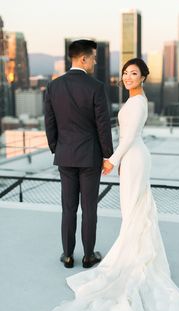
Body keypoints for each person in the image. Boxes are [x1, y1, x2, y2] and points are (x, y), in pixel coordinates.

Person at [43, 58, 179, 311]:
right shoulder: (134, 99)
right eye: (125, 73)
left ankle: (134, 262)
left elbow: (127, 140)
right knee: (133, 212)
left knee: (134, 211)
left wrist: (111, 160)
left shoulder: (137, 104)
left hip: (133, 158)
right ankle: (135, 257)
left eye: (133, 73)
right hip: (132, 158)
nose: (127, 77)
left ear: (143, 77)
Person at [44, 39, 113, 269]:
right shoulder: (96, 87)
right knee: (89, 208)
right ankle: (88, 256)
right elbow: (103, 125)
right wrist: (108, 155)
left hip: (65, 155)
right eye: (93, 57)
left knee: (68, 207)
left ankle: (67, 255)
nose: (95, 61)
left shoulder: (53, 86)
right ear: (83, 58)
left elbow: (49, 123)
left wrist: (58, 148)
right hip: (90, 157)